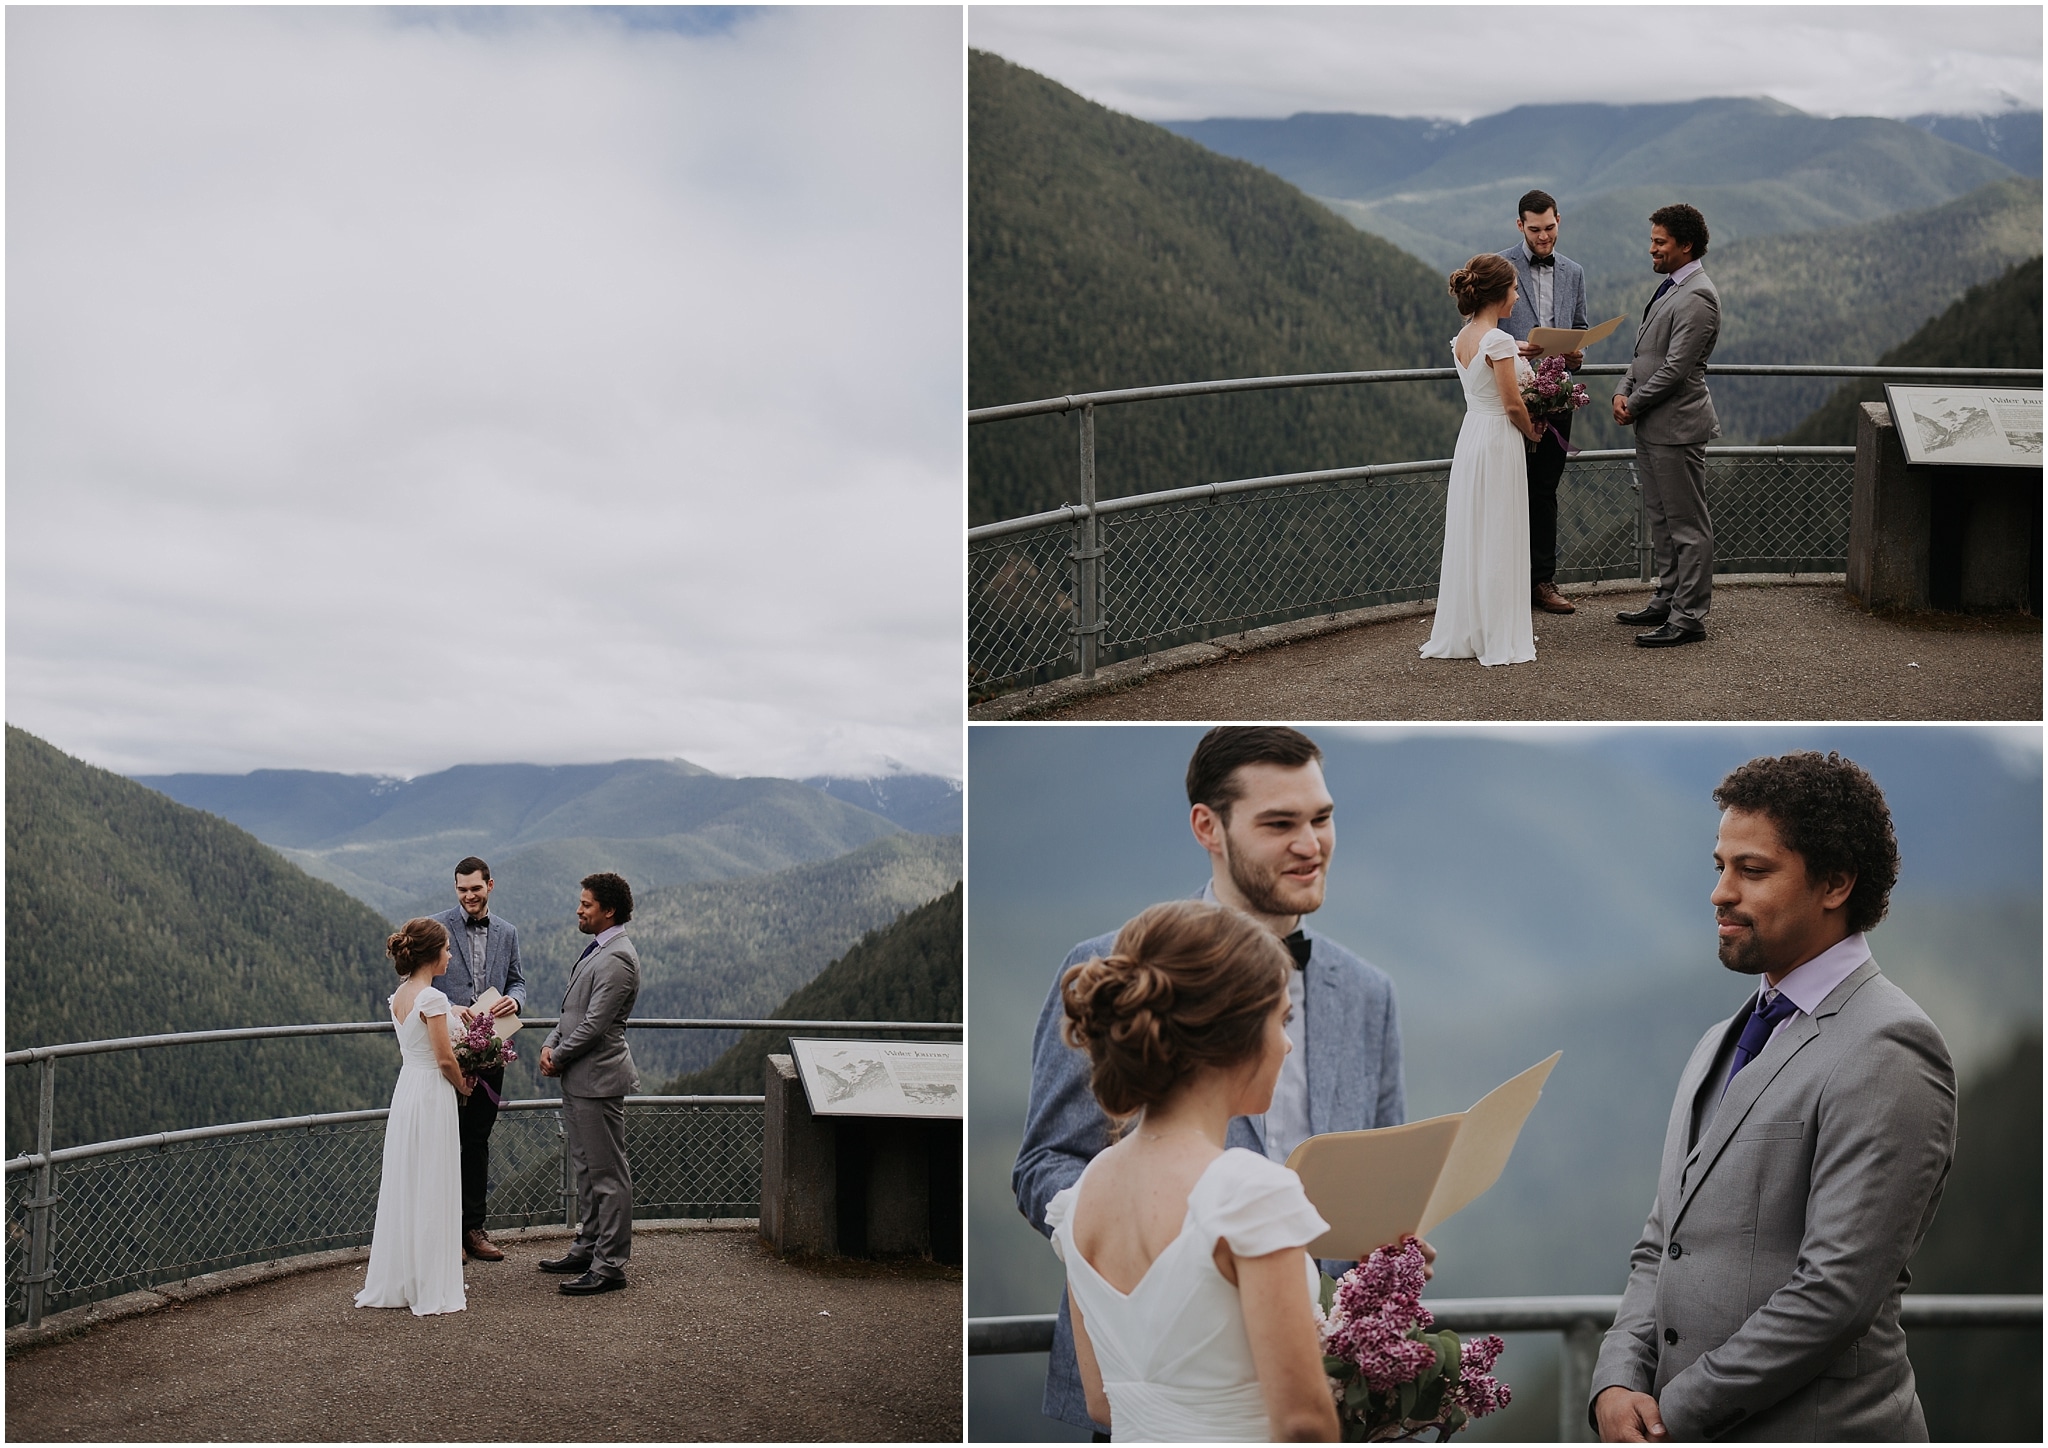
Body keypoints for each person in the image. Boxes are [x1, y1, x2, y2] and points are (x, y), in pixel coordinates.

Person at [1016, 726, 1408, 1436]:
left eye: (1321, 818)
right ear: (1209, 827)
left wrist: (1390, 1247)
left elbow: (1382, 1172)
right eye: (1279, 824)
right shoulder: (1107, 966)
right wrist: (1170, 1231)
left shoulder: (1369, 991)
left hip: (1321, 1377)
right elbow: (1043, 1164)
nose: (1310, 844)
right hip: (1142, 1380)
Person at [1590, 752, 1956, 1441]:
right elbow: (1661, 1245)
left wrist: (1676, 1410)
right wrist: (1616, 1377)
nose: (1720, 892)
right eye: (1720, 866)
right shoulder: (1717, 1042)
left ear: (1836, 883)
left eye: (1752, 870)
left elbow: (1835, 1296)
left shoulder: (1891, 1047)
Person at [1051, 900, 1340, 1442]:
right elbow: (1304, 1425)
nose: (1287, 1043)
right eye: (1281, 1020)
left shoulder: (1079, 1198)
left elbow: (1100, 1403)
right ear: (1233, 1033)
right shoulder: (1248, 1194)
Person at [1420, 253, 1545, 667]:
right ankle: (1498, 632)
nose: (1515, 295)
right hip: (1499, 439)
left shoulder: (1465, 337)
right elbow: (1512, 404)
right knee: (1500, 529)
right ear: (1499, 294)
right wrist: (1533, 430)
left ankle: (1472, 627)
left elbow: (1490, 379)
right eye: (1513, 289)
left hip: (1472, 434)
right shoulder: (1500, 340)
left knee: (1474, 528)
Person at [1613, 204, 1721, 648]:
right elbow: (1646, 354)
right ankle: (1667, 597)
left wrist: (1633, 403)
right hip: (1653, 425)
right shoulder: (1671, 287)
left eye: (1660, 242)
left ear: (1686, 245)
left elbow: (1676, 368)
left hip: (1677, 428)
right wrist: (1623, 387)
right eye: (1653, 240)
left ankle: (1689, 617)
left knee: (1687, 526)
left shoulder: (1698, 295)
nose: (1652, 248)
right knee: (1660, 519)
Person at [355, 916, 470, 1316]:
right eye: (447, 949)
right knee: (434, 1179)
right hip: (433, 1094)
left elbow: (423, 1035)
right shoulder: (433, 999)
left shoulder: (403, 994)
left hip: (407, 1090)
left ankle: (404, 1277)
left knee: (408, 1179)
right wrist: (464, 1084)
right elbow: (444, 1058)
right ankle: (430, 1282)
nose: (450, 955)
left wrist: (455, 1011)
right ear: (433, 954)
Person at [538, 871, 641, 1296]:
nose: (579, 910)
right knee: (584, 1169)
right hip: (579, 1080)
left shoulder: (617, 957)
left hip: (597, 1079)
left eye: (586, 904)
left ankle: (610, 1265)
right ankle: (587, 1246)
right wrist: (550, 1042)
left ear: (608, 910)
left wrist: (557, 1056)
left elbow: (596, 1025)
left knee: (608, 1174)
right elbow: (572, 1012)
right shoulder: (598, 949)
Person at [1498, 189, 1590, 617]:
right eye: (1534, 230)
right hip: (1512, 395)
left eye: (1550, 228)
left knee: (1546, 489)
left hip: (1559, 397)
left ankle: (1542, 581)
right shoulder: (1500, 267)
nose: (1543, 237)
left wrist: (1576, 354)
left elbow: (1580, 328)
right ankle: (1505, 581)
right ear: (1520, 226)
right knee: (1507, 487)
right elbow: (1479, 329)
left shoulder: (1574, 271)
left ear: (1559, 221)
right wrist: (1513, 351)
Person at [431, 855, 525, 1264]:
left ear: (490, 885)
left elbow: (518, 980)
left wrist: (514, 1000)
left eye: (475, 888)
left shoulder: (507, 932)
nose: (468, 896)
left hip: (490, 1054)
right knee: (442, 1140)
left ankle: (473, 1229)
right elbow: (417, 984)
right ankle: (444, 1233)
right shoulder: (437, 928)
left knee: (477, 1140)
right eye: (461, 889)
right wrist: (451, 1008)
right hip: (448, 1052)